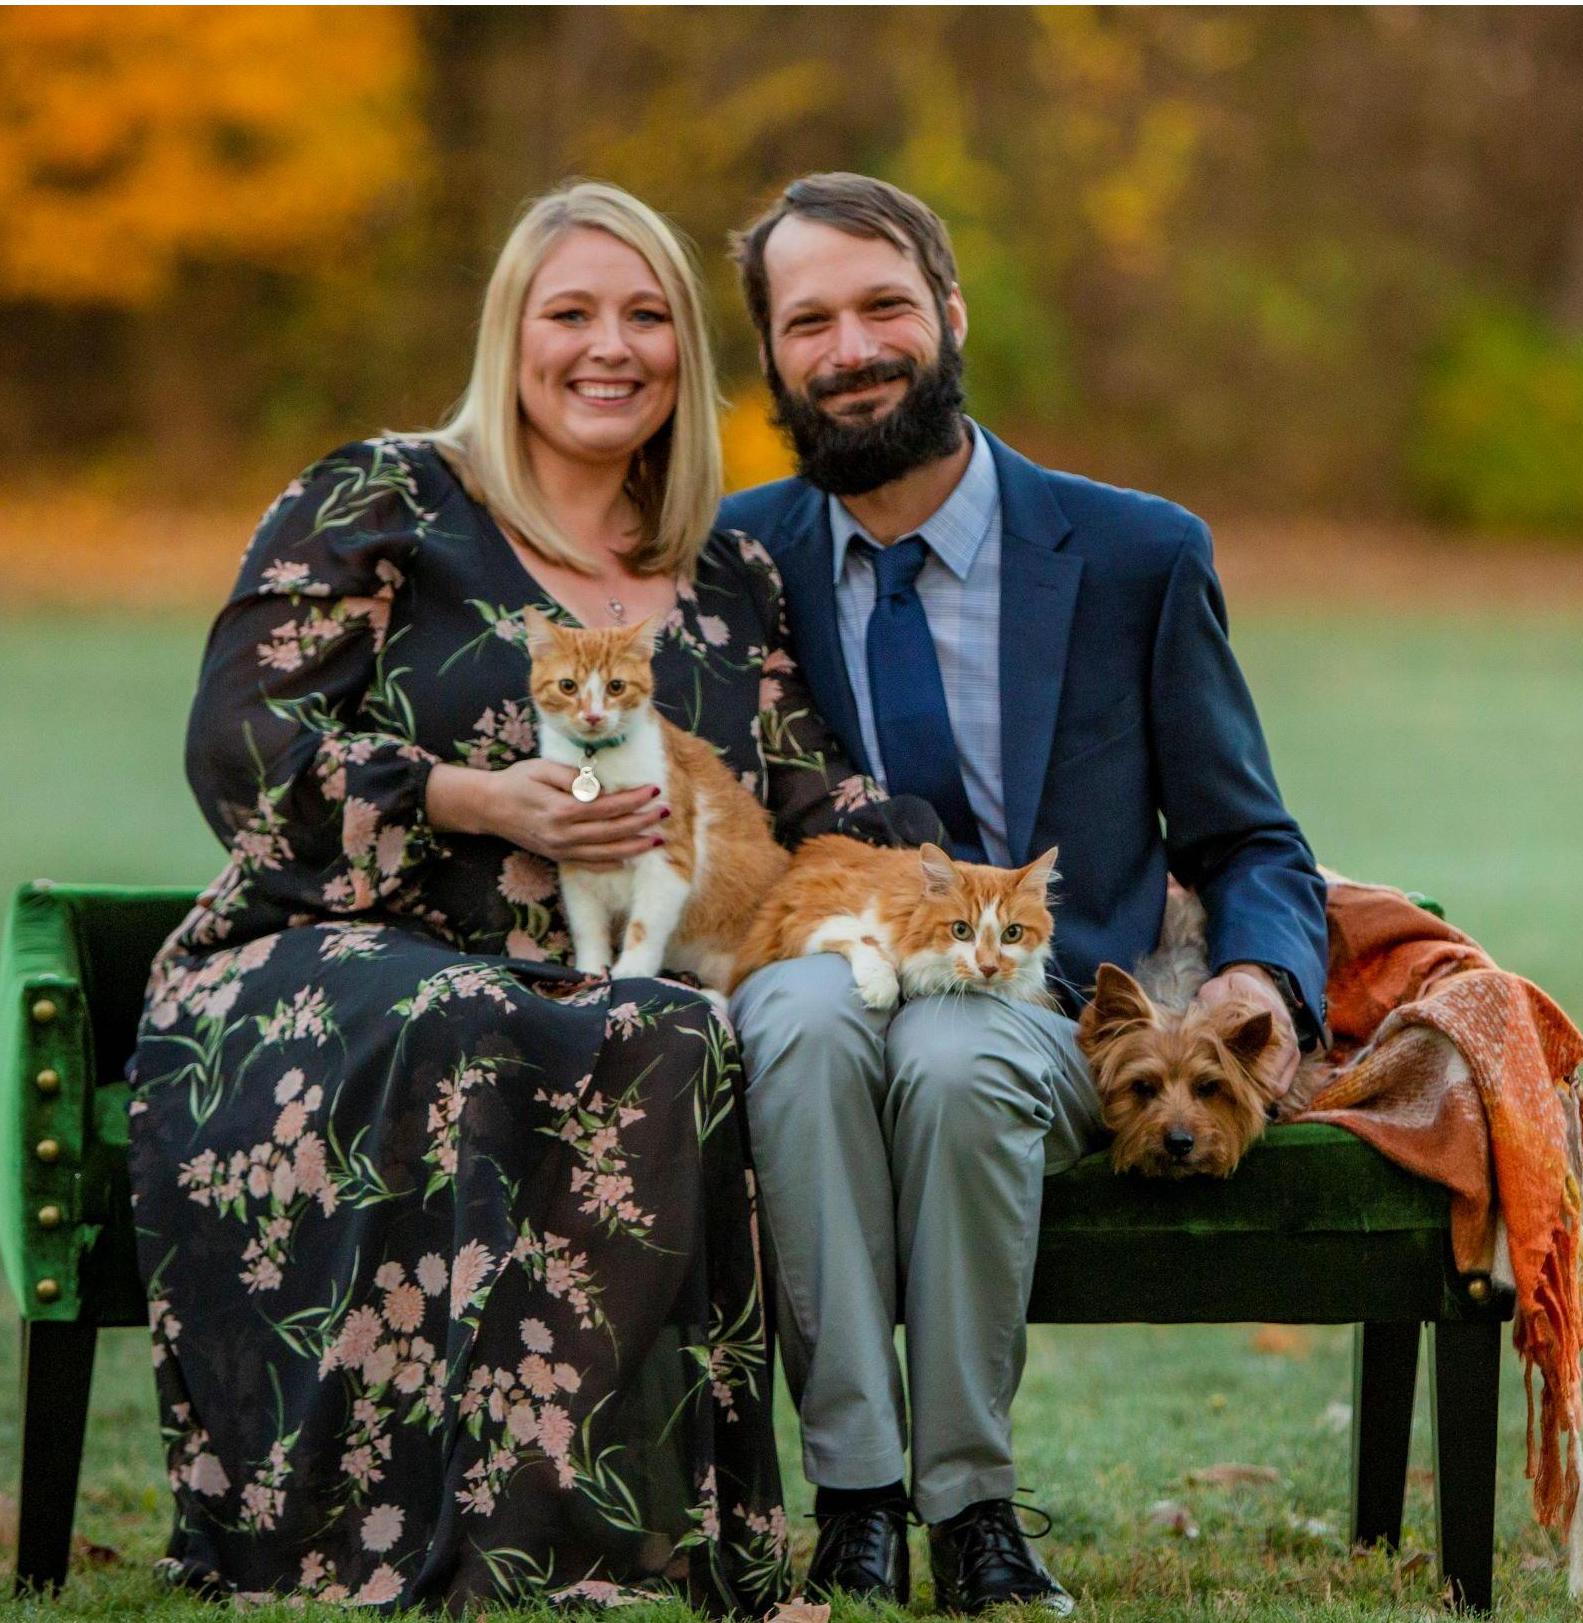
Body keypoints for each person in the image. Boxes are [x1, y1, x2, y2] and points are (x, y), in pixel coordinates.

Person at [127, 180, 935, 1615]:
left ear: (688, 350)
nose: (608, 347)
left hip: (606, 982)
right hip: (342, 960)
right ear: (513, 335)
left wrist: (935, 881)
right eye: (571, 313)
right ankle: (366, 1533)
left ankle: (617, 1546)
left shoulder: (732, 572)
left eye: (646, 317)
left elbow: (813, 794)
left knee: (670, 1033)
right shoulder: (384, 498)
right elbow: (239, 745)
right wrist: (468, 799)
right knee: (478, 1015)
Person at [721, 173, 1329, 1615]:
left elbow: (1250, 836)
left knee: (954, 1055)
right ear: (773, 357)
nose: (853, 346)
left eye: (884, 304)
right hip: (834, 965)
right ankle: (855, 1502)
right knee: (797, 1023)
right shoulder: (740, 560)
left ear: (949, 312)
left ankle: (973, 1507)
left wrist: (1263, 981)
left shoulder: (1136, 555)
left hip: (1050, 1015)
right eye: (811, 320)